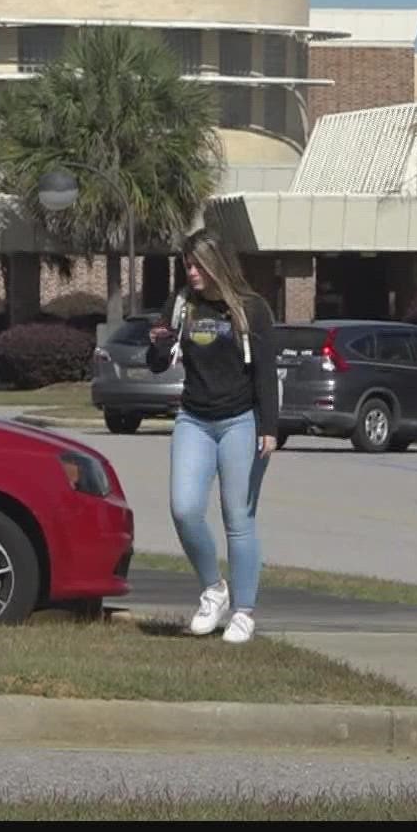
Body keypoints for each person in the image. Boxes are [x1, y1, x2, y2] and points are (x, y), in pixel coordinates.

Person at [146, 228, 278, 643]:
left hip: (241, 421)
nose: (192, 272)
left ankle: (244, 611)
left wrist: (270, 429)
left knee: (238, 519)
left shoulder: (251, 309)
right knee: (184, 509)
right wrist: (157, 343)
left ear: (217, 264)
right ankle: (213, 590)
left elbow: (265, 373)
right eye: (187, 265)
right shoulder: (182, 304)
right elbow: (157, 363)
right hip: (194, 419)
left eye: (198, 264)